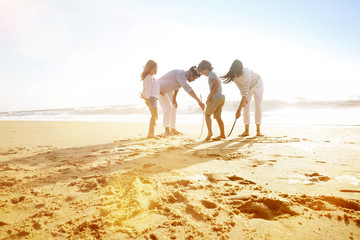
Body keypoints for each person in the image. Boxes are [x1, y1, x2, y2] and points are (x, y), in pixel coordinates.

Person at [221, 59, 264, 137]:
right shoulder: (233, 76)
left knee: (258, 106)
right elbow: (241, 88)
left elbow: (245, 90)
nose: (236, 75)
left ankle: (258, 130)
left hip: (258, 84)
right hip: (247, 89)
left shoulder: (246, 72)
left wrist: (238, 111)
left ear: (241, 70)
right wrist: (243, 101)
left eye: (238, 73)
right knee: (246, 107)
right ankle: (246, 131)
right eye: (235, 73)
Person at [158, 66, 205, 136]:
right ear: (190, 72)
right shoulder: (180, 74)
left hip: (168, 90)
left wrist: (174, 98)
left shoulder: (183, 77)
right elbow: (187, 88)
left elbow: (177, 87)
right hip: (160, 89)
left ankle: (173, 129)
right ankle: (166, 130)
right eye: (194, 77)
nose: (193, 80)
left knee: (174, 106)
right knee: (168, 107)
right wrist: (199, 101)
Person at [197, 60, 226, 141]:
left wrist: (209, 96)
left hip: (216, 98)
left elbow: (216, 85)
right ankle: (222, 134)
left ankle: (210, 132)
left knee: (207, 115)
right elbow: (217, 86)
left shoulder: (211, 74)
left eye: (202, 72)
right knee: (217, 116)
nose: (202, 74)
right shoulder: (214, 74)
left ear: (206, 68)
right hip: (221, 97)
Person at [141, 60, 159, 138]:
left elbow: (152, 88)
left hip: (152, 98)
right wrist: (147, 99)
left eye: (156, 69)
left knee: (155, 115)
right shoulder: (148, 78)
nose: (156, 70)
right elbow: (147, 88)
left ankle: (151, 133)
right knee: (154, 115)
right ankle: (151, 133)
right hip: (151, 98)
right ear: (149, 69)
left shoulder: (151, 77)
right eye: (154, 69)